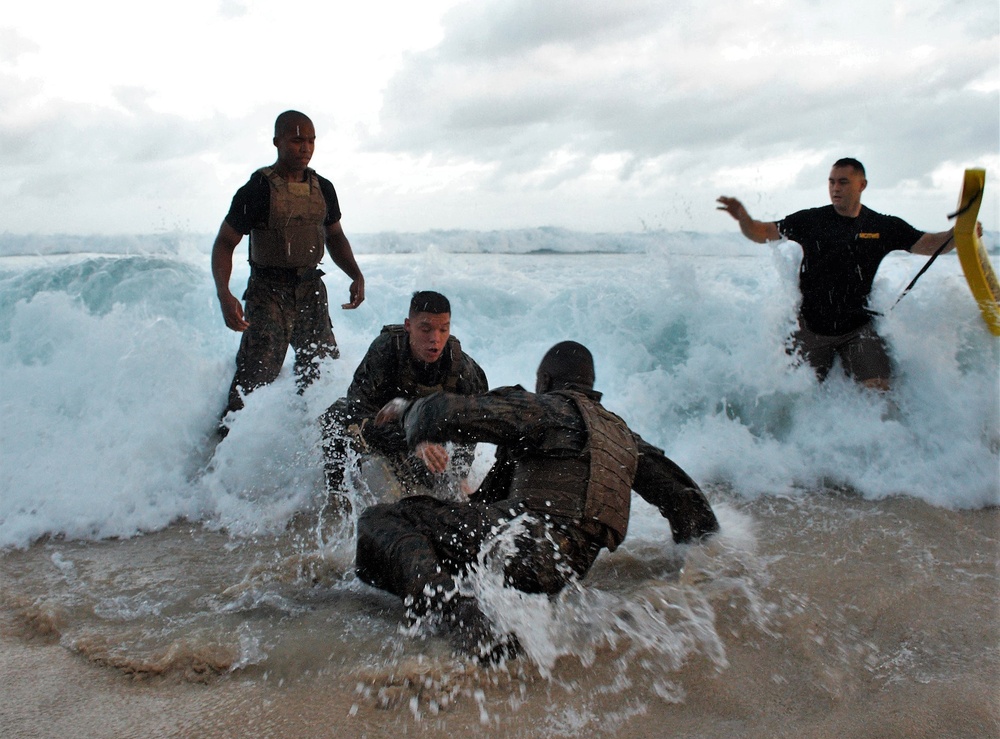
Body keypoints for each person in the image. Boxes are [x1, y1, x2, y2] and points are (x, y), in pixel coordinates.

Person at [355, 341, 719, 660]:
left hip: (524, 545)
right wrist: (699, 564)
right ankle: (480, 613)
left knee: (382, 521)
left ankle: (457, 615)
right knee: (451, 532)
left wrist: (407, 410)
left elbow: (445, 412)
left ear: (544, 381)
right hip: (567, 569)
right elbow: (687, 503)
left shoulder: (545, 407)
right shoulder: (624, 438)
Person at [717, 157, 962, 390]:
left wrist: (959, 234)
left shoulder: (882, 226)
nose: (835, 188)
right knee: (796, 395)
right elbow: (762, 233)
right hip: (811, 329)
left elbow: (929, 244)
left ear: (861, 185)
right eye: (831, 182)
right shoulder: (811, 220)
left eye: (843, 182)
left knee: (879, 391)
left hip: (857, 329)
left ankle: (880, 434)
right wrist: (744, 219)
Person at [212, 110, 365, 430]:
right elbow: (225, 243)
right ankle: (225, 445)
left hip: (311, 290)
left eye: (310, 140)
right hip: (268, 293)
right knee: (255, 377)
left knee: (322, 373)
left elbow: (334, 236)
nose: (305, 147)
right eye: (297, 140)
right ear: (277, 142)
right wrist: (224, 294)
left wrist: (356, 274)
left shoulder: (323, 188)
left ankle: (312, 441)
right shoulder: (257, 190)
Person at [321, 291, 488, 505]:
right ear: (408, 325)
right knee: (335, 416)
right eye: (425, 329)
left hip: (423, 439)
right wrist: (410, 440)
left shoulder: (461, 366)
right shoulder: (385, 350)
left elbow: (473, 424)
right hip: (381, 427)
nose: (435, 339)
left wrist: (461, 474)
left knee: (439, 492)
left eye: (443, 329)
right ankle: (337, 497)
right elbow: (357, 410)